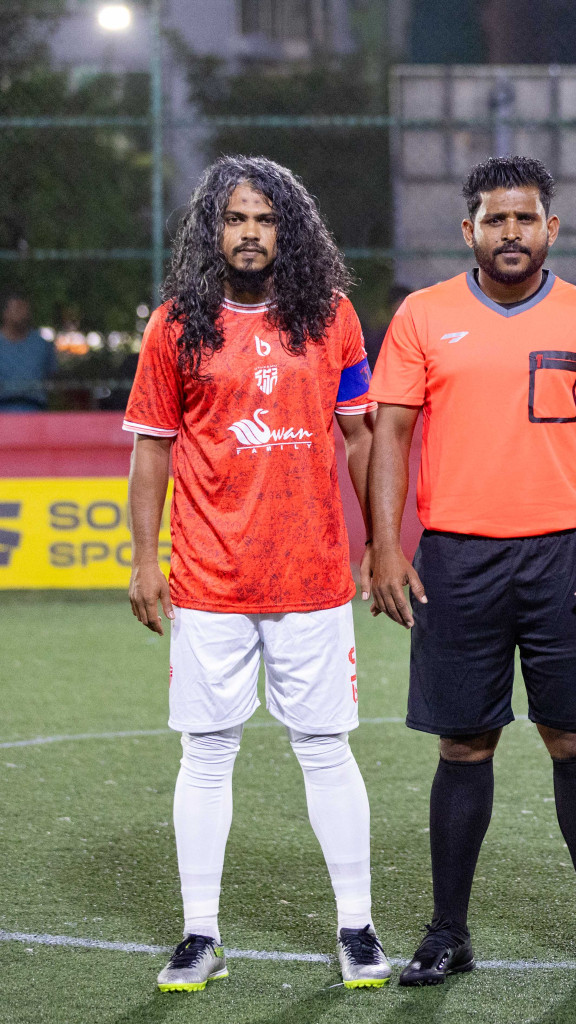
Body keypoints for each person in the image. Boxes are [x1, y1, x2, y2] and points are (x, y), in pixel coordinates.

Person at [368, 155, 576, 989]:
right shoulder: (423, 316)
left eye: (526, 218)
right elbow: (391, 435)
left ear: (551, 229)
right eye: (496, 219)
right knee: (463, 744)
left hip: (568, 554)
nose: (511, 232)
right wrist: (387, 544)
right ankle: (447, 931)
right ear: (470, 231)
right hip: (457, 557)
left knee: (575, 739)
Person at [123, 156, 390, 992]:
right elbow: (151, 451)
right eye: (235, 218)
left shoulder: (333, 318)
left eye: (265, 219)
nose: (249, 233)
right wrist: (143, 559)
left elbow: (359, 437)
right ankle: (199, 934)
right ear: (212, 229)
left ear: (291, 230)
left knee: (324, 748)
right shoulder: (174, 326)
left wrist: (383, 540)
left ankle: (357, 928)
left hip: (312, 574)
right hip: (209, 579)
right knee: (206, 752)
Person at [0, 295, 56, 411]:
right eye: (18, 308)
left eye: (26, 309)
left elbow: (52, 377)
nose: (23, 314)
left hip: (34, 410)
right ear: (5, 312)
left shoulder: (42, 345)